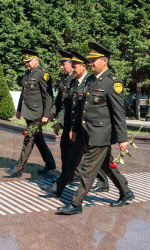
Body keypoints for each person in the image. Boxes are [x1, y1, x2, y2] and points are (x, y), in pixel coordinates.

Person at [58, 42, 134, 214]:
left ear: (104, 61)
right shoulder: (91, 80)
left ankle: (76, 204)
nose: (91, 63)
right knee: (105, 165)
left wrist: (122, 138)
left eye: (94, 60)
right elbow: (81, 108)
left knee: (88, 167)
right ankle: (126, 192)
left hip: (101, 134)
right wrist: (75, 128)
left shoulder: (113, 83)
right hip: (87, 131)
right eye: (90, 60)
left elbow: (118, 113)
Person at [44, 49, 108, 195]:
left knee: (95, 159)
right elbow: (66, 103)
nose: (71, 69)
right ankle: (64, 181)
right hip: (73, 124)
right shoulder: (71, 82)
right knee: (71, 155)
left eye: (74, 66)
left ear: (83, 66)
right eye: (71, 66)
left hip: (88, 127)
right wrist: (60, 121)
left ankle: (112, 184)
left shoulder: (91, 81)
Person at [5, 48, 55, 177]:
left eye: (29, 61)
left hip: (37, 114)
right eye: (25, 62)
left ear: (36, 60)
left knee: (28, 140)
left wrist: (45, 115)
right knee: (38, 139)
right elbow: (24, 93)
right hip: (28, 112)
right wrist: (19, 109)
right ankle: (50, 163)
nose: (26, 64)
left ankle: (18, 168)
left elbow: (48, 96)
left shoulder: (43, 74)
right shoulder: (28, 74)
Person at [48, 49, 75, 175]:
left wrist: (60, 122)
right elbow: (60, 98)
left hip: (73, 121)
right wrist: (53, 112)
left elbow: (69, 104)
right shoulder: (65, 78)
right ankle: (66, 176)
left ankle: (70, 175)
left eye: (64, 64)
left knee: (77, 151)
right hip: (67, 120)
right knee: (65, 148)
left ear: (71, 64)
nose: (61, 66)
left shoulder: (75, 79)